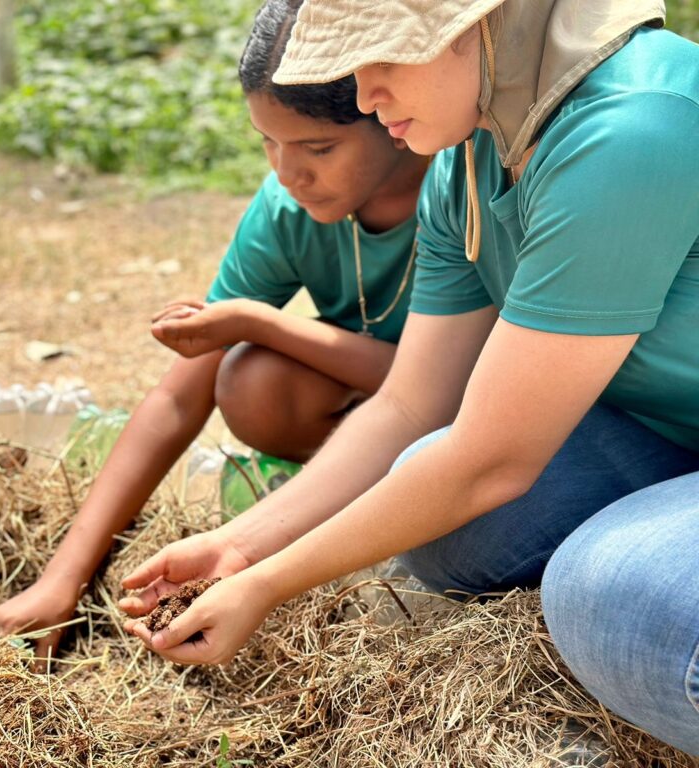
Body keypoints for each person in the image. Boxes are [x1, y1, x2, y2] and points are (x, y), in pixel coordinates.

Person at [121, 0, 699, 756]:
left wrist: (267, 586)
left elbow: (492, 459)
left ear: (481, 27)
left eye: (385, 58)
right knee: (438, 518)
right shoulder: (469, 158)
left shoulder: (630, 128)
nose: (364, 96)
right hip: (665, 424)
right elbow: (408, 403)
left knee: (608, 597)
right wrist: (240, 547)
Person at [0, 0, 429, 655]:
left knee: (259, 351)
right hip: (374, 410)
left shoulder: (462, 192)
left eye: (318, 147)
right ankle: (346, 494)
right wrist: (60, 580)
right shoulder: (285, 210)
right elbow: (178, 397)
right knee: (250, 382)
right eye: (268, 142)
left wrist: (261, 322)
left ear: (392, 112)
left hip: (467, 418)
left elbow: (447, 386)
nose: (287, 173)